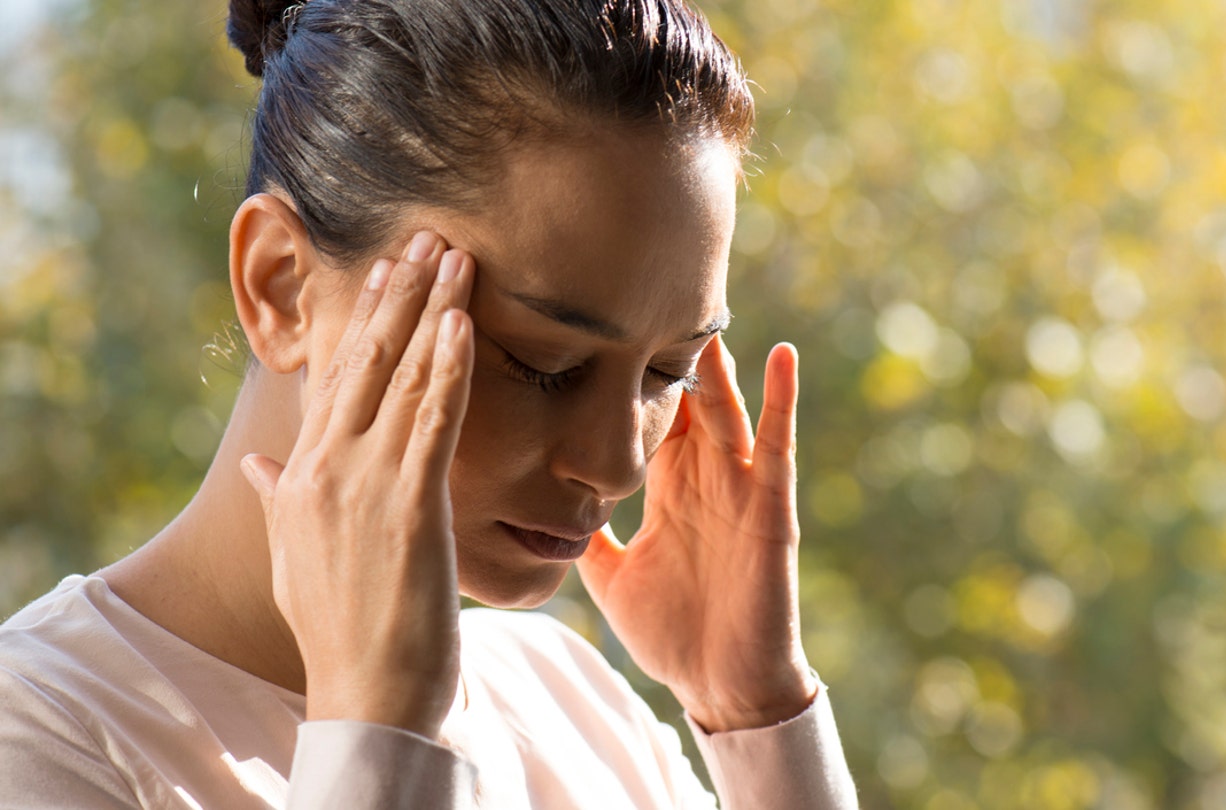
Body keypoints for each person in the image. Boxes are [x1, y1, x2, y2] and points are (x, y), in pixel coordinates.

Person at [0, 0, 858, 807]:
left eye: (667, 372)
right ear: (282, 286)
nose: (618, 466)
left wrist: (758, 715)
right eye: (543, 363)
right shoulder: (44, 738)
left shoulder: (571, 706)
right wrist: (376, 729)